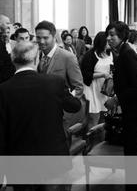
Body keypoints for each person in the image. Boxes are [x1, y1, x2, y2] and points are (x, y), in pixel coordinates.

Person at [0, 42, 81, 190]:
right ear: (36, 59)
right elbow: (75, 106)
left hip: (20, 162)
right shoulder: (54, 83)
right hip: (53, 158)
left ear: (13, 60)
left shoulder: (3, 90)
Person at [106, 21, 137, 190]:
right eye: (108, 34)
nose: (108, 38)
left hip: (136, 111)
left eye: (112, 35)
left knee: (132, 153)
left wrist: (116, 99)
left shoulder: (127, 54)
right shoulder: (121, 51)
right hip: (132, 109)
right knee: (131, 153)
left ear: (122, 36)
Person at [35, 21, 84, 100]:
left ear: (54, 37)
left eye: (45, 38)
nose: (41, 41)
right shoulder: (35, 55)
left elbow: (78, 87)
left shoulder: (68, 57)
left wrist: (67, 103)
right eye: (38, 37)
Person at [80, 32, 113, 129]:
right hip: (92, 88)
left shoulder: (110, 53)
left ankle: (100, 141)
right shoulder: (90, 55)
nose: (109, 43)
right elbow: (85, 74)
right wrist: (102, 74)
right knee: (94, 117)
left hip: (105, 89)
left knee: (104, 116)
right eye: (107, 42)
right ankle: (90, 141)